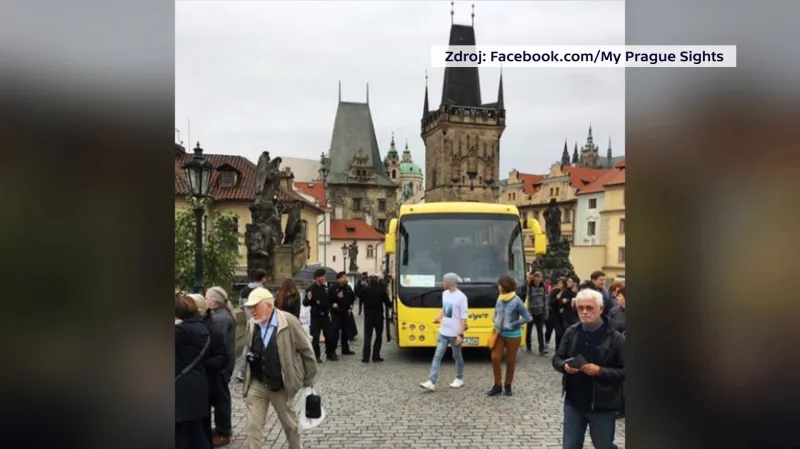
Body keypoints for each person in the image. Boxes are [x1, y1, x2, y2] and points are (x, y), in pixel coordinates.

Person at [241, 287, 318, 449]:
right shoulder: (251, 324)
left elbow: (306, 350)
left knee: (290, 425)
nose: (252, 311)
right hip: (258, 382)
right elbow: (248, 348)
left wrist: (307, 381)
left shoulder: (289, 322)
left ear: (269, 305)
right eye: (250, 307)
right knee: (253, 426)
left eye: (255, 306)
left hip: (281, 383)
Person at [552, 289, 625, 449]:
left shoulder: (616, 337)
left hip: (602, 404)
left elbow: (625, 372)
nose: (584, 312)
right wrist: (564, 366)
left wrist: (600, 371)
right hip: (574, 402)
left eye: (589, 308)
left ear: (600, 309)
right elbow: (557, 359)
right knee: (570, 446)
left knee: (604, 445)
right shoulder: (571, 332)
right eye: (580, 308)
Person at [189, 294, 230, 449]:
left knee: (204, 417)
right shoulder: (198, 326)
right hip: (200, 379)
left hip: (207, 379)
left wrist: (204, 364)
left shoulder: (212, 328)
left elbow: (223, 357)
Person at [175, 294, 212, 449]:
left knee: (179, 436)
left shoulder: (180, 332)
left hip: (180, 390)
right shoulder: (202, 328)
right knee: (197, 433)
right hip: (198, 385)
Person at [420, 272, 468, 391]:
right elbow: (446, 308)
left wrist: (460, 334)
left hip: (455, 333)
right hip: (443, 331)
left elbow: (463, 317)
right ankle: (432, 381)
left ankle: (459, 378)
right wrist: (439, 316)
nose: (442, 283)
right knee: (437, 356)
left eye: (444, 281)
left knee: (457, 356)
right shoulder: (445, 294)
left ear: (450, 282)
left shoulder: (461, 297)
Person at [489, 275, 533, 396]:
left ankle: (508, 385)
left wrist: (514, 324)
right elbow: (496, 311)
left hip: (513, 335)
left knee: (510, 360)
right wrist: (495, 318)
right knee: (495, 358)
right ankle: (497, 385)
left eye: (499, 285)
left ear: (505, 286)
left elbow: (528, 317)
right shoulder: (499, 298)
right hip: (499, 333)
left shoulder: (516, 300)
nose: (498, 287)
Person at [205, 286, 236, 447]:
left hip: (221, 365)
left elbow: (218, 342)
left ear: (214, 301)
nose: (205, 301)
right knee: (221, 396)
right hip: (226, 362)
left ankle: (223, 431)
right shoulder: (222, 314)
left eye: (207, 298)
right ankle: (223, 429)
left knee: (221, 398)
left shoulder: (220, 319)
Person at [303, 268, 335, 363]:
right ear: (317, 277)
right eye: (322, 276)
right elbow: (305, 303)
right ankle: (316, 356)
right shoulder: (310, 289)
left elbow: (330, 299)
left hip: (325, 316)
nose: (324, 278)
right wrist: (309, 299)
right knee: (315, 337)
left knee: (329, 335)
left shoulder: (326, 288)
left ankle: (330, 353)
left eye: (324, 276)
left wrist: (333, 304)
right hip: (316, 316)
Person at [359, 274, 392, 363]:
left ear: (369, 280)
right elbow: (387, 302)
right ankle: (376, 355)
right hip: (378, 316)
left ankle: (366, 357)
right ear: (377, 280)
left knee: (367, 337)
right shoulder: (381, 289)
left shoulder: (365, 289)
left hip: (368, 315)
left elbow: (360, 298)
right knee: (378, 336)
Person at [328, 271, 356, 356]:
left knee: (346, 332)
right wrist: (333, 304)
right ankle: (332, 351)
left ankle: (345, 349)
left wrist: (351, 304)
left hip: (345, 313)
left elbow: (352, 297)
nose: (345, 279)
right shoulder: (333, 288)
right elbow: (328, 300)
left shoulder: (348, 287)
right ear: (338, 279)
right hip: (336, 313)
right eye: (343, 277)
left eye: (345, 277)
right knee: (335, 333)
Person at [526, 271, 550, 355]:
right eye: (536, 277)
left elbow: (545, 299)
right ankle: (528, 346)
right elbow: (528, 299)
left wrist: (546, 311)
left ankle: (541, 349)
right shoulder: (530, 286)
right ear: (534, 278)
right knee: (528, 330)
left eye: (539, 277)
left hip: (540, 312)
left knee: (540, 331)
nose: (538, 279)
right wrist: (528, 313)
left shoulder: (543, 287)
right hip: (531, 312)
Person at [548, 277, 569, 351]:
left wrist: (566, 301)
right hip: (556, 315)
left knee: (564, 333)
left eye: (560, 283)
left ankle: (563, 350)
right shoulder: (555, 292)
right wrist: (557, 298)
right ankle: (557, 350)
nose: (559, 284)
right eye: (558, 283)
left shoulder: (567, 292)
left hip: (565, 316)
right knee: (558, 333)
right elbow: (551, 303)